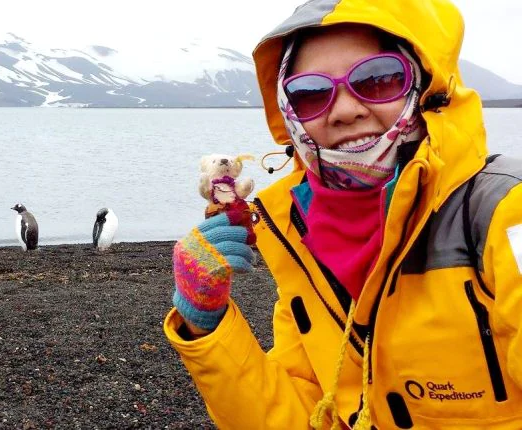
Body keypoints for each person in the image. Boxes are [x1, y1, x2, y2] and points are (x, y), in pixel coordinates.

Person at [164, 0, 522, 428]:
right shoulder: (297, 229)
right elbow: (301, 416)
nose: (345, 109)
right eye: (310, 93)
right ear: (290, 113)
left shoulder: (504, 213)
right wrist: (206, 323)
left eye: (379, 79)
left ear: (426, 86)